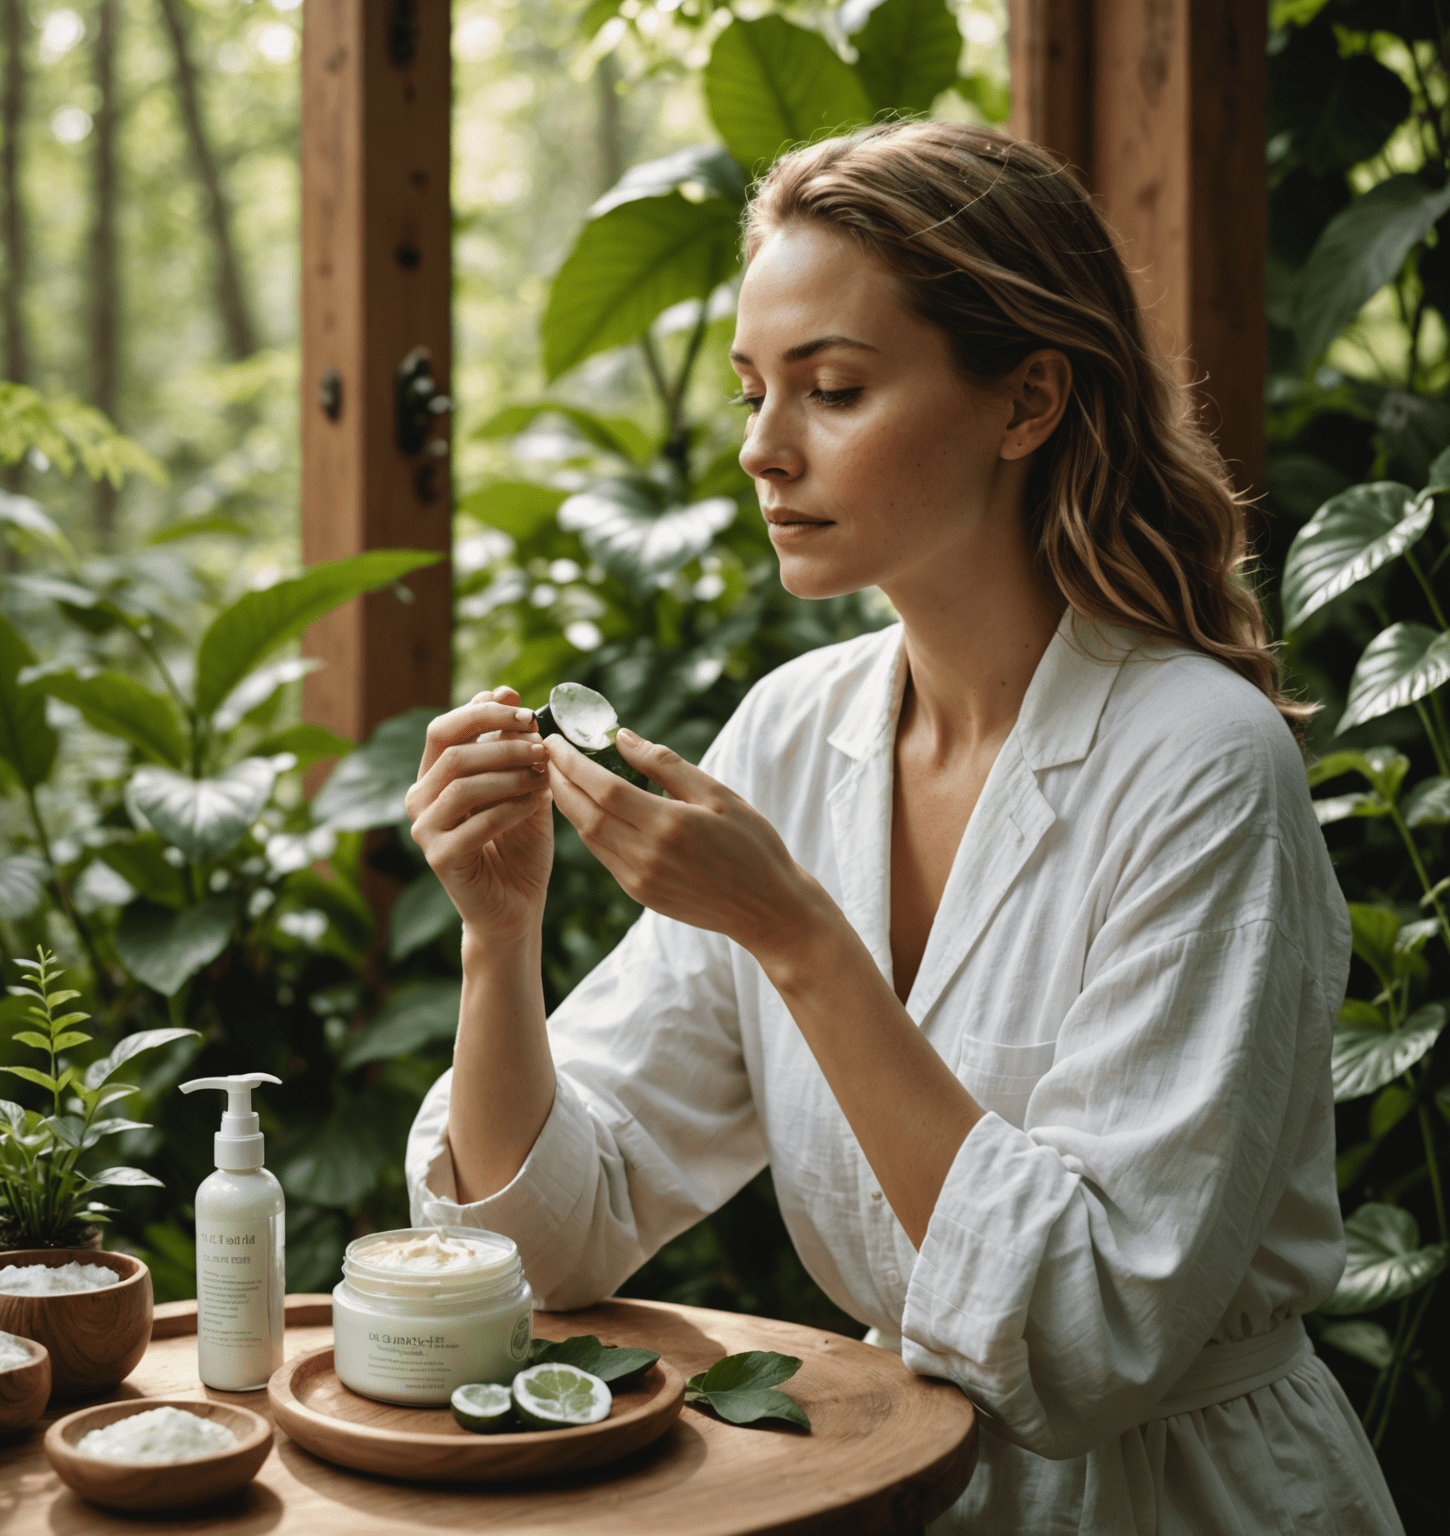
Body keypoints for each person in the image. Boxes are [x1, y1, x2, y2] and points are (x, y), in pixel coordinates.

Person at [403, 120, 1401, 1534]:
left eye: (834, 389)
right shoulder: (794, 735)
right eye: (757, 389)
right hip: (901, 1482)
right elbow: (554, 1242)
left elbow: (1091, 1337)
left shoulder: (1203, 767)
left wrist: (796, 935)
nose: (761, 449)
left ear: (1027, 399)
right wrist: (498, 944)